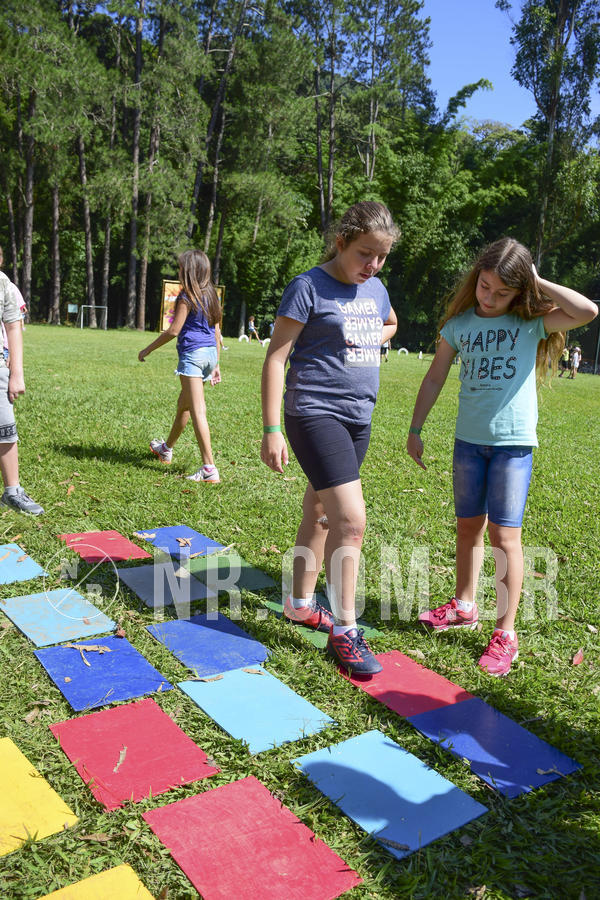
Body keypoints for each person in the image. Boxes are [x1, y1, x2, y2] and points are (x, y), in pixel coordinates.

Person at [407, 237, 597, 676]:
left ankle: (505, 632)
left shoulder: (531, 323)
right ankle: (464, 605)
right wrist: (416, 429)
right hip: (467, 444)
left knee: (504, 537)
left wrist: (535, 280)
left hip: (513, 446)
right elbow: (435, 377)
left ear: (519, 291)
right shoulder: (458, 325)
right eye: (485, 286)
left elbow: (587, 311)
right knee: (468, 528)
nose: (489, 298)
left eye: (502, 292)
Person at [261, 201, 399, 674]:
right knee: (351, 522)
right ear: (341, 241)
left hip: (359, 417)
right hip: (314, 413)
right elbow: (277, 358)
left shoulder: (375, 289)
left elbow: (390, 321)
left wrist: (371, 340)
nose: (373, 266)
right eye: (365, 254)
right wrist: (272, 429)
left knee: (320, 511)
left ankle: (300, 603)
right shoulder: (307, 287)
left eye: (381, 257)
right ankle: (346, 630)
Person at [139, 249, 222, 483]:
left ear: (189, 271)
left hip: (193, 356)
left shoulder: (187, 296)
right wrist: (216, 364)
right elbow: (216, 331)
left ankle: (209, 468)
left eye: (181, 268)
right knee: (184, 405)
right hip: (208, 356)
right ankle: (166, 448)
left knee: (197, 411)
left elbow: (174, 330)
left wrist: (147, 349)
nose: (178, 271)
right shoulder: (211, 295)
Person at [0, 248, 43, 514]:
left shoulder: (3, 284)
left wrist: (17, 373)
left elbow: (14, 327)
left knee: (5, 429)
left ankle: (12, 492)